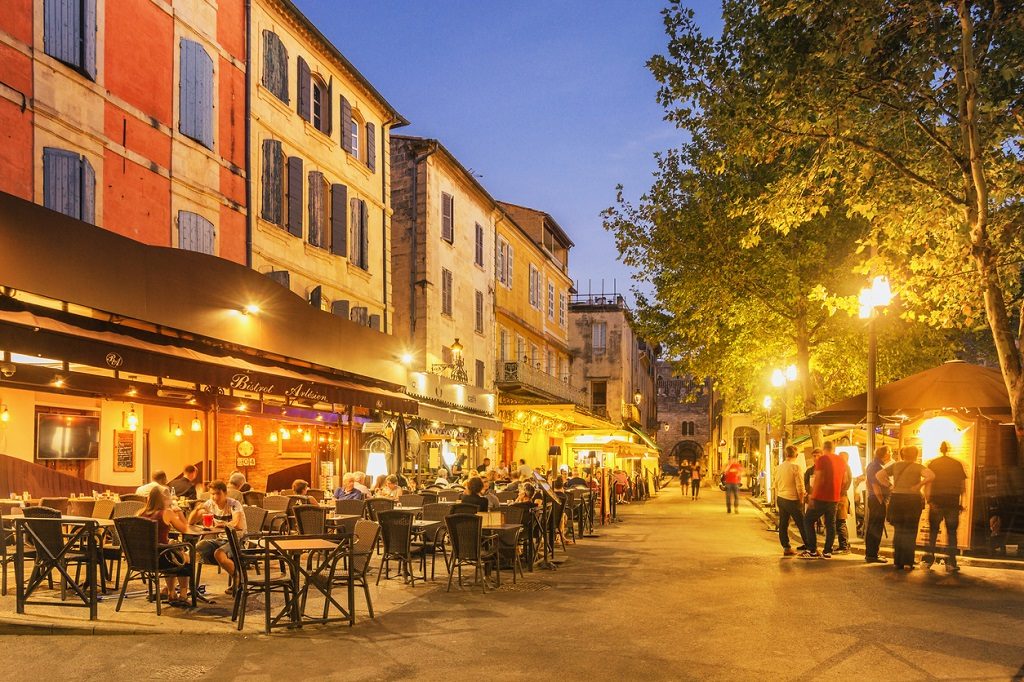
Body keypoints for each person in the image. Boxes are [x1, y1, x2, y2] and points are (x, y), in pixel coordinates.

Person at [876, 445, 934, 570]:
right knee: (910, 530)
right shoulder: (918, 467)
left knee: (899, 530)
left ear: (903, 455)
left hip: (896, 499)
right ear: (915, 455)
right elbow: (931, 476)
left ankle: (898, 561)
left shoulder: (895, 465)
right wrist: (919, 485)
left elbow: (879, 475)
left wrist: (890, 486)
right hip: (912, 500)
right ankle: (908, 561)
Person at [188, 480, 247, 594]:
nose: (215, 497)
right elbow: (190, 522)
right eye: (212, 494)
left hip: (237, 539)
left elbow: (237, 524)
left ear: (225, 493)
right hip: (220, 539)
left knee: (218, 553)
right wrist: (197, 509)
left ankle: (238, 578)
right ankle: (188, 587)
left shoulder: (234, 504)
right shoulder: (209, 504)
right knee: (195, 549)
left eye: (217, 494)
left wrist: (224, 524)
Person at [138, 486, 192, 605]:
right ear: (163, 500)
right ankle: (183, 594)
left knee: (172, 550)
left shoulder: (140, 513)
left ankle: (171, 593)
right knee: (186, 556)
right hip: (161, 558)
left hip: (143, 559)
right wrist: (179, 512)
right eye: (169, 499)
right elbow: (185, 528)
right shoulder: (167, 513)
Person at [923, 441, 967, 573]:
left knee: (933, 532)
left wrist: (929, 500)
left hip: (936, 501)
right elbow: (963, 487)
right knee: (952, 533)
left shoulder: (933, 463)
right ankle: (951, 562)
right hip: (952, 502)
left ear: (940, 449)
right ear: (948, 449)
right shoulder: (957, 464)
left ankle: (928, 559)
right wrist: (962, 503)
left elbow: (928, 484)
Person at [800, 441, 844, 559]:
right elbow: (843, 480)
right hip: (834, 497)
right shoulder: (841, 460)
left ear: (824, 449)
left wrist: (813, 496)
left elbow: (819, 478)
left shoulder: (823, 459)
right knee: (831, 524)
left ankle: (812, 549)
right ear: (833, 448)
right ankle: (827, 551)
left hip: (821, 496)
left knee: (808, 520)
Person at [774, 445, 809, 556]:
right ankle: (810, 547)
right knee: (802, 523)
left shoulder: (779, 467)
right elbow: (800, 486)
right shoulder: (796, 467)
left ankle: (786, 547)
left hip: (781, 498)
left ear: (786, 454)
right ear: (797, 455)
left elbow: (775, 484)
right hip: (792, 499)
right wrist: (801, 500)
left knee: (783, 524)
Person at [863, 445, 892, 564]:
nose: (891, 454)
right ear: (884, 454)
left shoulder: (872, 465)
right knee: (876, 527)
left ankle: (871, 553)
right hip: (877, 500)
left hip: (873, 499)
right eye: (889, 451)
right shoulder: (876, 467)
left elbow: (867, 482)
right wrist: (881, 501)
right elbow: (875, 486)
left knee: (873, 526)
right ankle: (872, 554)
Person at [834, 451, 854, 553]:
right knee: (840, 522)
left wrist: (838, 492)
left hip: (841, 498)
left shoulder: (844, 467)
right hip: (841, 496)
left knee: (840, 522)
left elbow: (845, 482)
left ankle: (844, 546)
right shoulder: (844, 467)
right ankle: (843, 545)